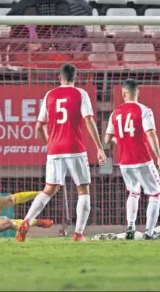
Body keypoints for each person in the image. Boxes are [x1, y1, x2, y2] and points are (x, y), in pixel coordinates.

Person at [15, 64, 107, 242]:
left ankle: (26, 221)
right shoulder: (81, 94)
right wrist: (99, 148)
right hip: (75, 148)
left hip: (55, 149)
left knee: (48, 189)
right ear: (75, 78)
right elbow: (89, 120)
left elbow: (38, 126)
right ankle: (78, 234)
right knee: (83, 190)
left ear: (60, 78)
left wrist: (50, 143)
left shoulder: (50, 95)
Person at [103, 79, 160, 240]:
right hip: (142, 159)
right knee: (155, 193)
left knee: (134, 192)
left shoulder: (115, 112)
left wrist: (121, 141)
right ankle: (149, 233)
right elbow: (151, 133)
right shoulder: (143, 110)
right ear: (137, 92)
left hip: (124, 161)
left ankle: (130, 226)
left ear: (123, 93)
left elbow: (107, 139)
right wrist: (159, 157)